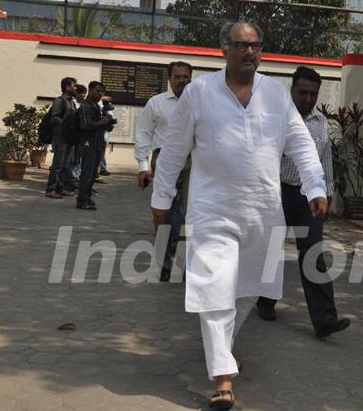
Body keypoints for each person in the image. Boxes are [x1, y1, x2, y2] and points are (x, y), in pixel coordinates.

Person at [151, 21, 327, 409]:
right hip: (212, 210)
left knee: (248, 290)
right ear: (223, 50)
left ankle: (221, 351)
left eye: (255, 46)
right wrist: (162, 197)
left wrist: (316, 187)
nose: (249, 52)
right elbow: (174, 150)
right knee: (214, 290)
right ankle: (224, 379)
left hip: (263, 211)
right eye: (240, 45)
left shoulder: (275, 95)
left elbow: (301, 143)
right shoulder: (198, 93)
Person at [256, 66, 350, 338]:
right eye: (303, 92)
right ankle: (265, 300)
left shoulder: (321, 122)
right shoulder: (277, 118)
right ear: (292, 90)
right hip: (276, 192)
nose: (308, 98)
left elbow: (325, 161)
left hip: (308, 197)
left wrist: (326, 193)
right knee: (270, 249)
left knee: (313, 254)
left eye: (313, 93)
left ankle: (324, 319)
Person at [134, 61, 193, 282]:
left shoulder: (199, 104)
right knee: (162, 214)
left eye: (186, 77)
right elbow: (143, 134)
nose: (182, 81)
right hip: (164, 161)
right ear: (169, 79)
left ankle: (185, 263)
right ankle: (164, 263)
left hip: (191, 163)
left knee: (191, 214)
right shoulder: (156, 103)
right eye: (177, 77)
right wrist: (142, 166)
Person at [76, 81, 112, 211]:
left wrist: (107, 123)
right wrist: (101, 121)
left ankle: (87, 197)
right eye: (98, 91)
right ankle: (82, 200)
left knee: (92, 174)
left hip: (97, 143)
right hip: (88, 144)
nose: (101, 93)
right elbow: (85, 125)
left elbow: (99, 125)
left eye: (102, 91)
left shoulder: (96, 106)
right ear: (91, 91)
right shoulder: (86, 106)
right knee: (86, 173)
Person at [45, 77, 77, 199]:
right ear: (67, 87)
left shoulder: (72, 102)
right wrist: (66, 124)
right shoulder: (59, 101)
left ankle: (60, 188)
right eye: (74, 86)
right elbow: (54, 118)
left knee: (66, 165)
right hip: (60, 137)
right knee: (58, 165)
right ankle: (51, 189)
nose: (75, 88)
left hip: (69, 137)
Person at [71, 84, 87, 183]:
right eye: (83, 94)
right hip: (72, 135)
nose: (84, 97)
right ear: (77, 93)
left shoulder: (83, 104)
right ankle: (71, 177)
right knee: (72, 158)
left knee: (79, 157)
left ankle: (76, 176)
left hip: (80, 136)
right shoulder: (72, 103)